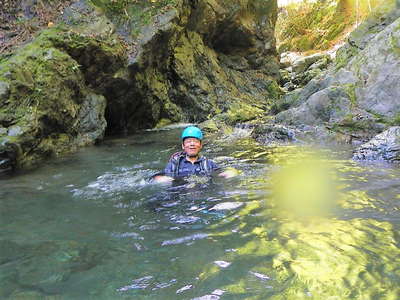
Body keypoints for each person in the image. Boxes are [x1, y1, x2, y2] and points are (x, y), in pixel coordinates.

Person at [152, 126, 237, 183]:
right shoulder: (175, 163)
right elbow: (157, 177)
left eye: (195, 141)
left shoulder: (208, 164)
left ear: (200, 145)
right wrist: (160, 178)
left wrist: (231, 172)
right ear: (183, 146)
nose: (192, 144)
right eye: (188, 141)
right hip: (180, 193)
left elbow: (222, 172)